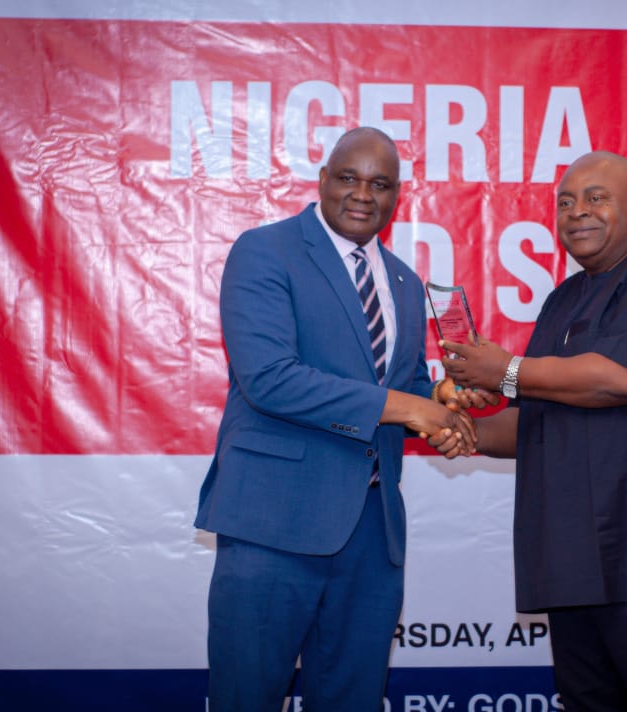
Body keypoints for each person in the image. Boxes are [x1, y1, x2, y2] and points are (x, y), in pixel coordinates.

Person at [431, 151, 627, 711]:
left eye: (597, 198)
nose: (578, 212)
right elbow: (532, 424)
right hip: (577, 566)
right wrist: (452, 425)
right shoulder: (563, 300)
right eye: (566, 202)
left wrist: (504, 370)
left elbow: (622, 380)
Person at [195, 126, 482, 711]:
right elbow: (270, 379)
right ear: (323, 180)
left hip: (372, 534)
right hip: (273, 524)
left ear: (397, 195)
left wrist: (440, 398)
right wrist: (411, 407)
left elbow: (401, 387)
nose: (362, 194)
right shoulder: (264, 250)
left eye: (380, 184)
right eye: (349, 178)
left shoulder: (404, 283)